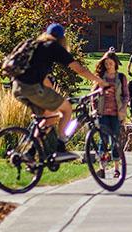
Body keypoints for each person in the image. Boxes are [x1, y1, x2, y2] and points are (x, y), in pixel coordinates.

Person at [11, 23, 112, 162]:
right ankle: (60, 148)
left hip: (17, 87)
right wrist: (100, 82)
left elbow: (44, 78)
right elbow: (79, 69)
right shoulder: (54, 47)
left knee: (50, 117)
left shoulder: (36, 45)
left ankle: (29, 152)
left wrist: (53, 95)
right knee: (67, 109)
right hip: (32, 88)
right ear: (61, 38)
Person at [94, 52, 130, 177]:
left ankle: (116, 169)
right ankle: (102, 168)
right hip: (102, 113)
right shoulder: (100, 77)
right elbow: (93, 96)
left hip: (116, 114)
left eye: (110, 63)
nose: (108, 65)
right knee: (102, 141)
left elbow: (126, 96)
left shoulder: (121, 77)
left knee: (115, 141)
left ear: (115, 63)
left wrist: (123, 109)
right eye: (106, 63)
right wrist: (94, 110)